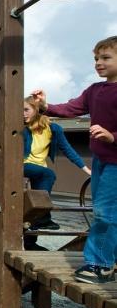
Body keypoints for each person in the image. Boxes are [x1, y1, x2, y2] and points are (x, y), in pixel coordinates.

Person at [32, 35, 117, 284]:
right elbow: (71, 108)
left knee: (105, 212)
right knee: (105, 211)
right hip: (102, 160)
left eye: (105, 58)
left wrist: (111, 137)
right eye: (96, 59)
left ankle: (100, 264)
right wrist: (44, 105)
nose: (98, 63)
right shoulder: (94, 90)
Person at [21, 95, 90, 250]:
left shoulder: (54, 129)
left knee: (36, 199)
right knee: (48, 175)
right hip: (21, 165)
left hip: (39, 169)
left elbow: (68, 150)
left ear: (37, 110)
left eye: (26, 110)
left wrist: (87, 170)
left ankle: (30, 242)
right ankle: (44, 217)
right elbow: (7, 150)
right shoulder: (21, 128)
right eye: (21, 110)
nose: (23, 114)